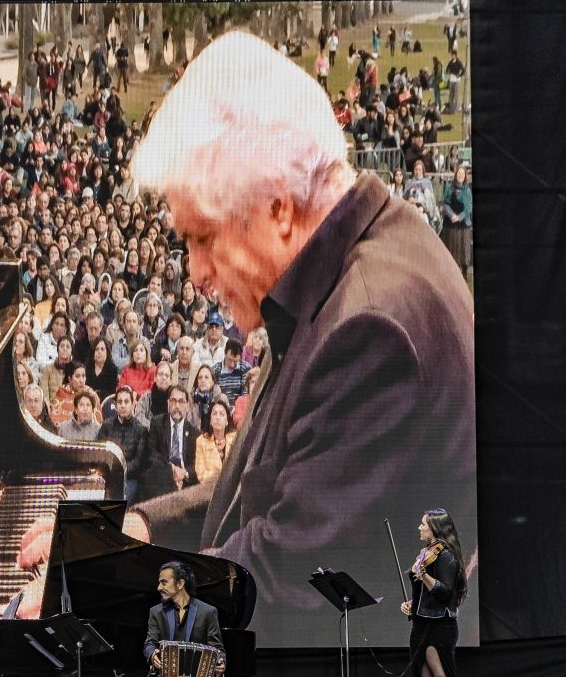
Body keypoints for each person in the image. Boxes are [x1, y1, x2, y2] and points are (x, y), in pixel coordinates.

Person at [127, 32, 475, 629]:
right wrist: (141, 528)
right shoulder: (337, 270)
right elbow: (274, 487)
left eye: (203, 237)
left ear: (278, 208)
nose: (195, 271)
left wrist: (110, 590)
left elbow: (288, 581)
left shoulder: (369, 331)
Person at [400, 509, 468, 677]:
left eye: (423, 524)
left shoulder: (446, 555)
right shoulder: (425, 553)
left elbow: (445, 593)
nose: (419, 527)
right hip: (421, 624)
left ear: (435, 529)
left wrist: (424, 576)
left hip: (440, 626)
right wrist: (413, 603)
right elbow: (424, 591)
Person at [142, 561, 225, 677]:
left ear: (180, 584)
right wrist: (152, 654)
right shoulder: (156, 612)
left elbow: (217, 649)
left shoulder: (208, 612)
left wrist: (220, 663)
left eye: (164, 582)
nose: (158, 587)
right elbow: (149, 643)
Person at [138, 385, 199, 503]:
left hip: (184, 479)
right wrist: (171, 468)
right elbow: (151, 453)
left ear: (187, 406)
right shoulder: (157, 423)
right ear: (168, 403)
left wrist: (184, 473)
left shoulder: (194, 432)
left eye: (181, 402)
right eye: (173, 401)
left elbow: (197, 463)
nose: (177, 406)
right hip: (162, 475)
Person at [98, 386, 147, 503]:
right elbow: (100, 454)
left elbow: (138, 462)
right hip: (108, 476)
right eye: (119, 402)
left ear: (133, 404)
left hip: (129, 479)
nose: (123, 405)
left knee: (120, 503)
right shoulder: (106, 426)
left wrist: (120, 471)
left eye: (126, 401)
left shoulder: (141, 429)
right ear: (115, 405)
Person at [439, 165, 473, 277]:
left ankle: (463, 273)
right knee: (450, 248)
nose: (460, 176)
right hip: (450, 221)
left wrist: (459, 217)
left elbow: (468, 209)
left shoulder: (467, 190)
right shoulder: (449, 188)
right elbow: (445, 203)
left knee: (463, 249)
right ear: (456, 175)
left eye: (462, 175)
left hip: (463, 223)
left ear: (465, 177)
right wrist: (452, 215)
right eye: (459, 174)